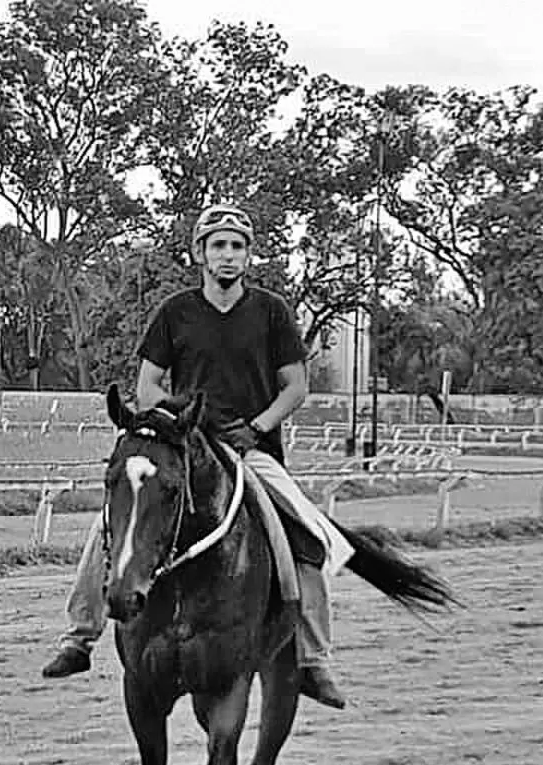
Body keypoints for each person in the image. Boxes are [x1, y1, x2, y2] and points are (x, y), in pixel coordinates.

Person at [42, 203, 353, 709]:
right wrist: (177, 424)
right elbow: (147, 385)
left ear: (248, 257)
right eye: (218, 246)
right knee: (114, 524)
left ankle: (314, 660)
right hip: (185, 446)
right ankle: (79, 636)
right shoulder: (175, 312)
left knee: (306, 536)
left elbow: (296, 386)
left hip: (252, 447)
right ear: (200, 254)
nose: (227, 255)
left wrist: (257, 428)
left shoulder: (271, 311)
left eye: (237, 246)